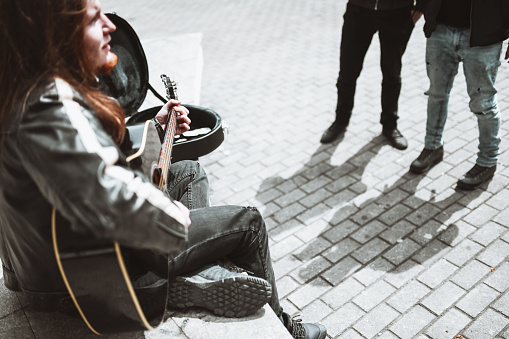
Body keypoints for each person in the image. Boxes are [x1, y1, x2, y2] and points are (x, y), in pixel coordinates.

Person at [0, 1, 327, 338]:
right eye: (94, 18)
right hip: (78, 277)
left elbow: (82, 162)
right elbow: (113, 195)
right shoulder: (51, 108)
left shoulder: (22, 91)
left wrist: (155, 127)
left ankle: (194, 271)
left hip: (48, 262)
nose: (110, 26)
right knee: (249, 222)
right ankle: (285, 326)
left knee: (186, 171)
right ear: (56, 35)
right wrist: (174, 218)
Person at [410, 0, 509, 190]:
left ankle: (488, 161)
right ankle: (432, 147)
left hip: (484, 35)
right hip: (440, 29)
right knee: (436, 94)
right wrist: (417, 13)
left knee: (483, 104)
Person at [320, 0, 422, 150]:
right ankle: (341, 120)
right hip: (359, 10)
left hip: (397, 13)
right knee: (347, 72)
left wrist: (418, 12)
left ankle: (390, 125)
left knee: (392, 73)